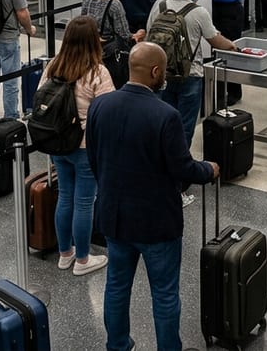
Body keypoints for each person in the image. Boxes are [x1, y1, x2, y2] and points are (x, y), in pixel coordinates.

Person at [86, 42, 220, 351]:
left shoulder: (100, 106)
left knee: (117, 285)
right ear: (155, 72)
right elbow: (182, 168)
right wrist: (209, 170)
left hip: (114, 217)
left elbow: (95, 160)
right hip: (156, 222)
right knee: (165, 293)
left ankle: (117, 344)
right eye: (165, 72)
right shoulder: (166, 115)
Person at [147, 0, 236, 200]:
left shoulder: (159, 4)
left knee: (162, 124)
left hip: (161, 75)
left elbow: (149, 33)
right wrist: (233, 46)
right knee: (184, 129)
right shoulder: (198, 12)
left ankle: (159, 170)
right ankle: (178, 181)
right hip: (190, 76)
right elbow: (214, 40)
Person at [42, 16, 114, 275]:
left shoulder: (53, 65)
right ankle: (83, 259)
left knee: (65, 197)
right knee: (84, 202)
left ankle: (65, 254)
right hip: (85, 145)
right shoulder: (97, 72)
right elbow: (108, 112)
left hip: (58, 143)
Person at [196, 0, 245, 106]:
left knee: (229, 50)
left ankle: (234, 91)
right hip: (212, 9)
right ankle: (216, 91)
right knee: (215, 52)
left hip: (229, 12)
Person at [79, 0, 141, 87]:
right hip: (110, 57)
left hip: (90, 53)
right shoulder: (114, 5)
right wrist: (138, 35)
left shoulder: (86, 1)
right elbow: (124, 35)